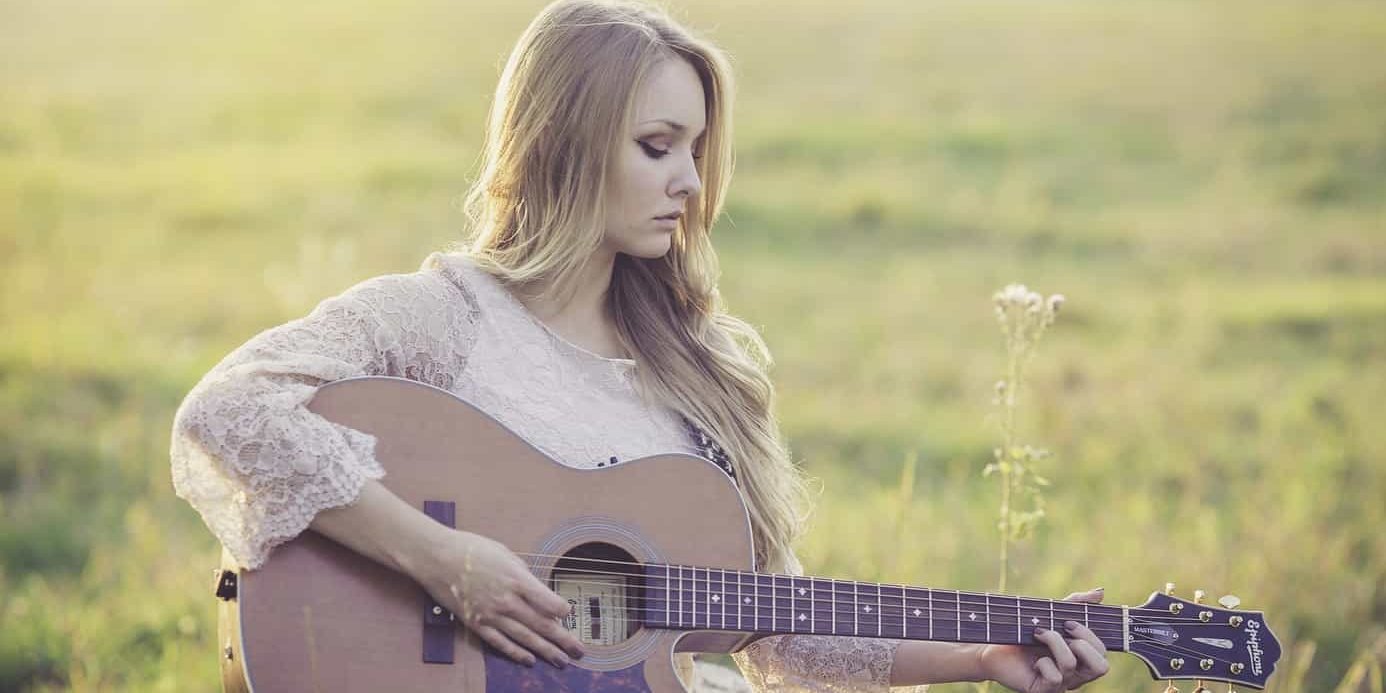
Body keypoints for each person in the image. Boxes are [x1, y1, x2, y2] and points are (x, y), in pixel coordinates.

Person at [170, 1, 1111, 690]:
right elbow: (228, 412)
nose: (690, 183)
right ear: (563, 142)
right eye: (658, 146)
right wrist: (444, 560)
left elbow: (770, 630)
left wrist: (987, 654)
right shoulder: (442, 316)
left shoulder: (701, 367)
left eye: (698, 150)